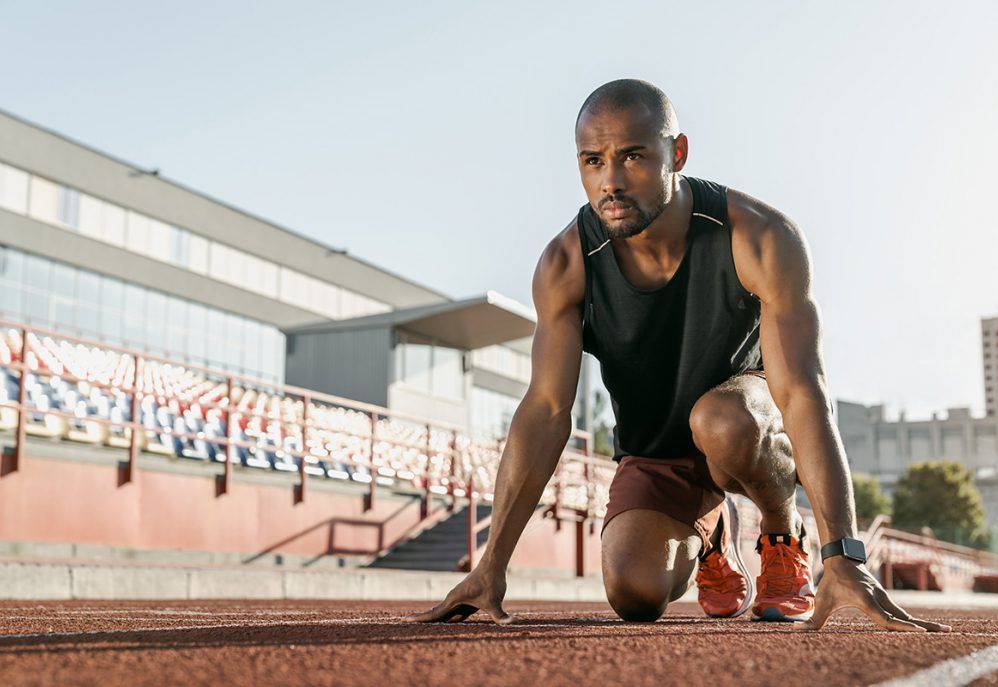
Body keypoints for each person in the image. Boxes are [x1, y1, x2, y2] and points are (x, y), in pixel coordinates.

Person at [404, 79, 950, 632]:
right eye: (592, 161)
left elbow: (804, 394)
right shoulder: (566, 264)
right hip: (656, 452)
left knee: (720, 419)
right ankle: (713, 529)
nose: (610, 181)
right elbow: (545, 410)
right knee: (633, 594)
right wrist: (492, 564)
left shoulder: (758, 236)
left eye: (633, 157)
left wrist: (845, 554)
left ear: (678, 154)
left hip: (746, 424)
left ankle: (782, 537)